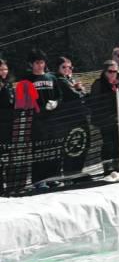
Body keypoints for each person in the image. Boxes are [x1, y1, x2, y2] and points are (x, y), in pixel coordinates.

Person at [25, 49, 63, 188]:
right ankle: (39, 180)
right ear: (31, 64)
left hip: (52, 120)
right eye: (37, 62)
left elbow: (60, 96)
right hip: (37, 121)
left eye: (42, 62)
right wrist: (39, 109)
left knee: (54, 149)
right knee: (39, 151)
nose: (40, 65)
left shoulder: (52, 78)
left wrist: (56, 103)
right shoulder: (27, 80)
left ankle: (52, 177)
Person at [90, 60, 119, 176]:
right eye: (110, 71)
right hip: (105, 118)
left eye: (115, 71)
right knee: (108, 142)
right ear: (105, 72)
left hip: (118, 117)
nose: (113, 74)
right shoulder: (99, 83)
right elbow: (94, 101)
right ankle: (108, 165)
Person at [54, 56, 90, 175]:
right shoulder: (60, 80)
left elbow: (81, 92)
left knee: (83, 144)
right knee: (72, 147)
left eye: (69, 67)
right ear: (58, 68)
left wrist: (79, 89)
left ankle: (77, 172)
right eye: (63, 67)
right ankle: (71, 174)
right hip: (70, 119)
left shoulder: (70, 79)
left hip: (79, 116)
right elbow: (75, 95)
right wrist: (80, 89)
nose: (67, 69)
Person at [0, 59, 14, 193]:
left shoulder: (8, 84)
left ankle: (5, 184)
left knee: (5, 155)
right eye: (1, 69)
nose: (4, 72)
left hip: (7, 124)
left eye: (5, 69)